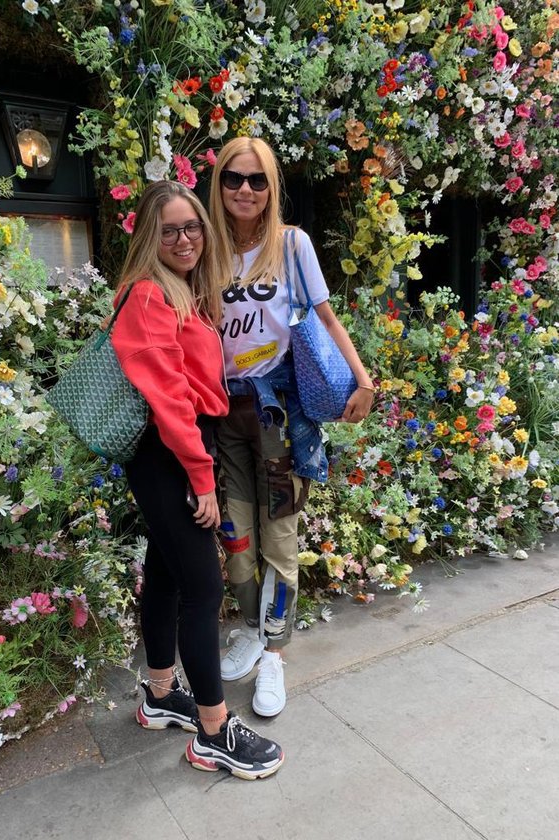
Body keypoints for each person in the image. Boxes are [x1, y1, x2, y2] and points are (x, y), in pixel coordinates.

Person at [111, 180, 284, 779]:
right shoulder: (148, 296)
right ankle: (213, 732)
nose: (184, 239)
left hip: (179, 450)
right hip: (170, 453)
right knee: (204, 589)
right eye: (169, 230)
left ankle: (160, 695)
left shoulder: (181, 290)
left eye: (192, 227)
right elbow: (170, 399)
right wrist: (202, 479)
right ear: (148, 237)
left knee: (165, 573)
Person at [209, 138, 375, 717]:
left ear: (272, 187)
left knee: (279, 536)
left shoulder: (290, 244)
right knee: (235, 536)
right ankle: (253, 630)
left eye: (258, 180)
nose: (245, 190)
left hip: (279, 414)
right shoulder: (206, 249)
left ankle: (274, 651)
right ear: (219, 183)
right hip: (222, 414)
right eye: (234, 178)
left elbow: (325, 316)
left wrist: (363, 380)